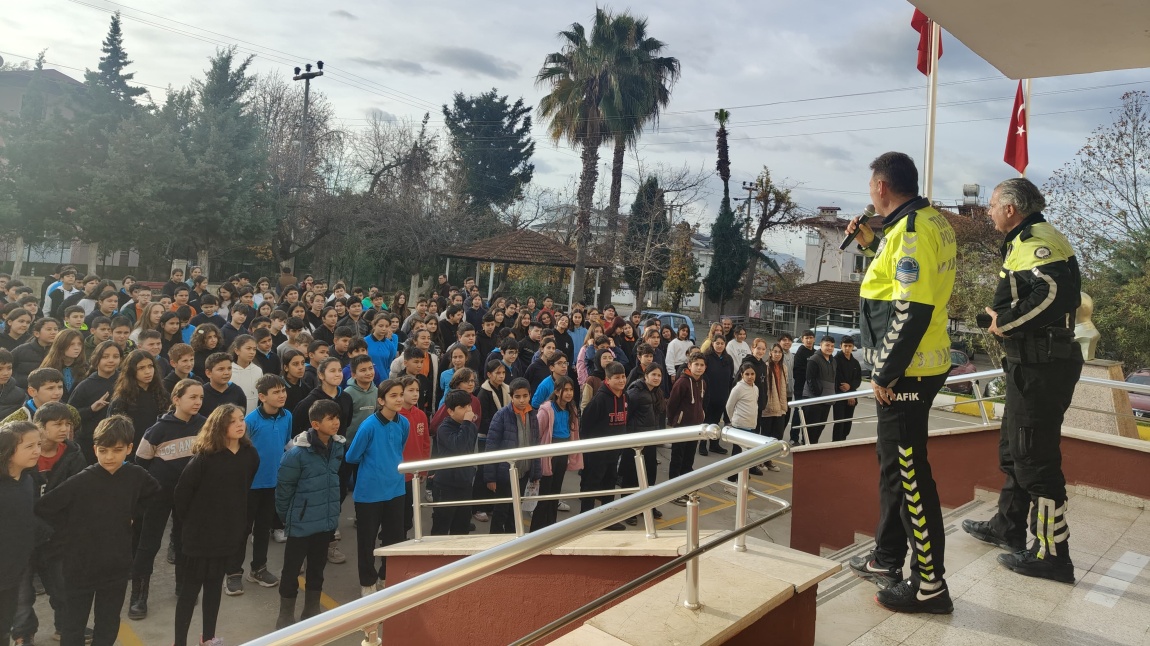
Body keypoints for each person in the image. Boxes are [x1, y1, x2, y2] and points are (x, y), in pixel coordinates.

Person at [844, 151, 956, 613]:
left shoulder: (911, 233)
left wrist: (885, 374)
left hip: (908, 370)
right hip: (920, 363)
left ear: (882, 188)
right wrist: (870, 243)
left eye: (872, 184)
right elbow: (899, 281)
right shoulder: (925, 223)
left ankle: (930, 586)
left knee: (908, 475)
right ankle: (887, 557)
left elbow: (911, 310)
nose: (870, 191)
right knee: (895, 468)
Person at [961, 177, 1084, 584]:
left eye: (993, 204)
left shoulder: (1036, 240)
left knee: (1036, 459)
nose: (989, 210)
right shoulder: (1021, 240)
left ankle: (1052, 554)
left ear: (1011, 208)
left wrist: (1006, 324)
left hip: (1043, 365)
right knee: (1016, 451)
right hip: (1028, 362)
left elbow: (1055, 294)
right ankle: (1007, 527)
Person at [36, 415, 160, 646]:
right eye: (103, 450)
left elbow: (154, 493)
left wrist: (133, 515)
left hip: (116, 566)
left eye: (116, 450)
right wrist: (69, 534)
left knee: (108, 622)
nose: (109, 457)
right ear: (95, 449)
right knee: (74, 624)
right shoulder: (81, 481)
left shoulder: (136, 475)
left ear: (129, 448)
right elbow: (45, 508)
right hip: (80, 567)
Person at [172, 404, 259, 646]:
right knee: (190, 592)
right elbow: (181, 495)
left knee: (213, 588)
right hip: (199, 537)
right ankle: (179, 642)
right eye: (233, 421)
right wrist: (192, 523)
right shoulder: (204, 458)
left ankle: (208, 638)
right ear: (220, 426)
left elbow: (244, 490)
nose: (240, 424)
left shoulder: (250, 455)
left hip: (228, 535)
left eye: (242, 419)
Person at [128, 379, 205, 620]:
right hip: (158, 496)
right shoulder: (158, 429)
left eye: (200, 398)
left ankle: (183, 587)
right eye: (192, 397)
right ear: (176, 399)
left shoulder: (203, 425)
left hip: (189, 497)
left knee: (185, 542)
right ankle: (138, 597)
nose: (197, 402)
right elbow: (141, 462)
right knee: (148, 544)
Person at [10, 405, 87, 644]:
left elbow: (79, 496)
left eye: (67, 424)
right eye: (57, 424)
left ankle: (65, 628)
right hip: (22, 538)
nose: (64, 429)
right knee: (22, 594)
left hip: (57, 536)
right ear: (41, 428)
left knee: (62, 587)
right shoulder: (21, 458)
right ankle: (24, 634)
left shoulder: (73, 454)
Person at [274, 399, 346, 629]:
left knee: (317, 567)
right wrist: (289, 517)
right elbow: (283, 489)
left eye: (337, 418)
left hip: (325, 521)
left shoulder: (337, 446)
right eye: (330, 419)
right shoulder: (296, 454)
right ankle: (285, 614)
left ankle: (311, 609)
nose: (336, 423)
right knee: (291, 570)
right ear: (315, 424)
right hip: (301, 523)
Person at [225, 375, 293, 598]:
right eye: (276, 392)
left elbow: (286, 444)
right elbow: (238, 452)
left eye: (283, 390)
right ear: (262, 397)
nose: (282, 395)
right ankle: (233, 573)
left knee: (264, 528)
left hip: (273, 483)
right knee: (242, 529)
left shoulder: (287, 416)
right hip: (250, 485)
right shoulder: (250, 422)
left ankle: (259, 568)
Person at [345, 379, 408, 597]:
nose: (399, 399)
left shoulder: (403, 423)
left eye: (401, 394)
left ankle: (386, 575)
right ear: (381, 400)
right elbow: (352, 455)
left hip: (396, 490)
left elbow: (399, 448)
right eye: (393, 396)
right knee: (367, 540)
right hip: (370, 493)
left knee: (393, 538)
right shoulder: (368, 426)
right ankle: (368, 581)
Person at [1, 422, 42, 646]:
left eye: (38, 444)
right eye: (29, 446)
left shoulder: (26, 480)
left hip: (15, 570)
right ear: (8, 451)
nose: (37, 450)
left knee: (5, 625)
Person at [484, 378, 540, 534]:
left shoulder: (533, 415)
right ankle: (495, 542)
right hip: (504, 474)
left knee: (515, 511)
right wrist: (491, 478)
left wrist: (535, 472)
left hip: (524, 472)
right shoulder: (501, 416)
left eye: (525, 396)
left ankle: (512, 538)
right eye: (517, 396)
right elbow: (491, 447)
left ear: (530, 395)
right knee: (501, 511)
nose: (521, 400)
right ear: (511, 397)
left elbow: (535, 444)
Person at [579, 362, 628, 529]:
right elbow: (586, 424)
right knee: (592, 485)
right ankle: (585, 520)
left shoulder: (624, 396)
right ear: (607, 379)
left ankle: (607, 519)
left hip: (614, 452)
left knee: (609, 484)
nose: (621, 380)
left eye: (623, 377)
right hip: (597, 453)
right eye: (617, 378)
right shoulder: (599, 399)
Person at [430, 389, 479, 536]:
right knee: (441, 527)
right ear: (450, 411)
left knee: (462, 527)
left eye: (469, 406)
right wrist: (466, 423)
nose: (468, 410)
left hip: (464, 483)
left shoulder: (470, 426)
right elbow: (459, 446)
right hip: (446, 486)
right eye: (462, 407)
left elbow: (471, 450)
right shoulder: (444, 429)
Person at [619, 365, 664, 524]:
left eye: (659, 375)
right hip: (635, 440)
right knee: (631, 476)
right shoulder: (635, 393)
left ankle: (648, 505)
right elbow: (627, 416)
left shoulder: (656, 392)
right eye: (653, 374)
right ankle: (628, 510)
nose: (657, 378)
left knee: (650, 473)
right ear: (645, 375)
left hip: (650, 439)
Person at [108, 351, 169, 458]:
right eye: (141, 368)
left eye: (150, 366)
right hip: (132, 454)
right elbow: (114, 432)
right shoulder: (122, 399)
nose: (148, 371)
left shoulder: (162, 394)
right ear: (131, 371)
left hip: (159, 452)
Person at [67, 341, 119, 462]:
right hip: (90, 442)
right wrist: (91, 409)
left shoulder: (125, 381)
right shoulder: (84, 385)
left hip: (120, 439)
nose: (111, 360)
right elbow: (70, 415)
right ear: (96, 359)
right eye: (105, 357)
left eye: (115, 357)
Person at [667, 352, 707, 495]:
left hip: (695, 427)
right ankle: (674, 487)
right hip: (682, 426)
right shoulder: (682, 382)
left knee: (689, 457)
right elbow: (672, 404)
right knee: (678, 457)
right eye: (696, 364)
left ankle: (686, 484)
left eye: (702, 365)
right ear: (689, 365)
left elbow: (700, 402)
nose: (699, 368)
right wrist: (673, 421)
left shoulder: (702, 382)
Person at [397, 375, 430, 535]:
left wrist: (423, 469)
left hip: (414, 474)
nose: (415, 394)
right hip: (398, 475)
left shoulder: (421, 415)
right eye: (411, 390)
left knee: (409, 512)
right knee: (397, 514)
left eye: (417, 390)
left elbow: (425, 444)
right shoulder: (395, 416)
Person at [799, 336, 837, 445]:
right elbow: (810, 379)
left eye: (832, 346)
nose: (829, 348)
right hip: (813, 399)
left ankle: (813, 447)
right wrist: (818, 394)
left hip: (827, 400)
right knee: (810, 428)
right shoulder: (814, 359)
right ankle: (806, 449)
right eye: (827, 345)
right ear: (821, 345)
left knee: (820, 427)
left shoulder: (833, 361)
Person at [700, 334, 733, 456]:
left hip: (722, 395)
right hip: (709, 395)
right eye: (717, 343)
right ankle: (702, 445)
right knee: (706, 421)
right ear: (712, 344)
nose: (719, 346)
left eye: (722, 343)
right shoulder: (707, 357)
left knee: (716, 421)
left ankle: (714, 445)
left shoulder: (728, 359)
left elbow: (730, 378)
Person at [832, 336, 863, 442]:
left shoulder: (855, 363)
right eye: (845, 346)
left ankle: (843, 441)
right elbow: (838, 379)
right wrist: (848, 392)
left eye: (850, 346)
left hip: (852, 396)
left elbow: (858, 380)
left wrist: (851, 389)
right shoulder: (836, 360)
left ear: (853, 347)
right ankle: (836, 444)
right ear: (841, 346)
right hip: (840, 395)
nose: (847, 348)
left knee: (848, 422)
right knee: (839, 422)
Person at [200, 352, 247, 418]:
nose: (226, 373)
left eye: (229, 368)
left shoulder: (237, 391)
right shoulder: (201, 393)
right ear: (209, 373)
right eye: (221, 369)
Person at [789, 330, 816, 444]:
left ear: (814, 339)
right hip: (801, 387)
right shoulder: (800, 352)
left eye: (811, 337)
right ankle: (793, 438)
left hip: (812, 389)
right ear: (802, 339)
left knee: (809, 414)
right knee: (799, 412)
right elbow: (798, 372)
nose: (809, 340)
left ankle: (806, 438)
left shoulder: (815, 352)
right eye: (806, 338)